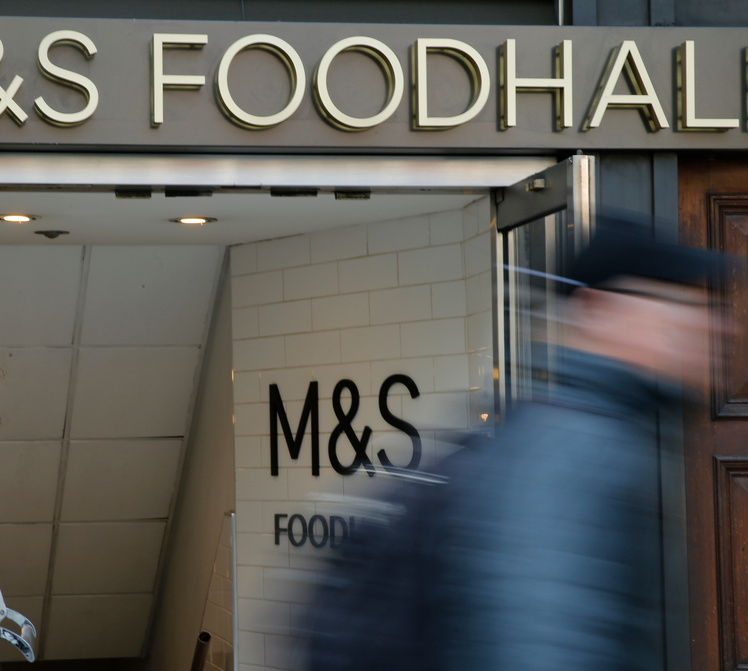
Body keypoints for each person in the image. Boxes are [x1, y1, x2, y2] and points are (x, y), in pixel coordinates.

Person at [306, 216, 726, 671]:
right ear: (599, 311)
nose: (709, 323)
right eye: (677, 300)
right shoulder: (569, 450)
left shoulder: (589, 431)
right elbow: (537, 643)